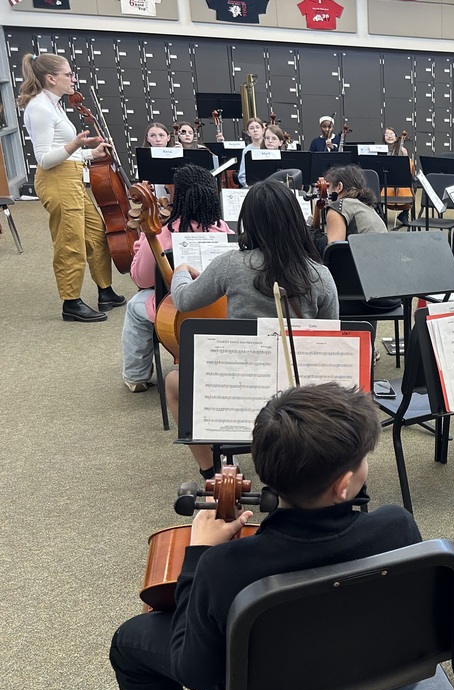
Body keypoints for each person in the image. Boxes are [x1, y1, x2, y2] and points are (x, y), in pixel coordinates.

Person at [110, 381, 423, 690]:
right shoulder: (396, 526)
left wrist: (198, 555)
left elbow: (193, 668)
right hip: (385, 686)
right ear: (343, 486)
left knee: (129, 641)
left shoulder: (225, 568)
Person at [165, 179, 340, 478]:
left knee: (172, 382)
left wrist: (180, 272)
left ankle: (212, 472)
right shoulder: (319, 274)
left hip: (241, 387)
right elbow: (330, 335)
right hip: (300, 387)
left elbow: (183, 299)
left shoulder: (230, 265)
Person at [17, 52, 124, 323]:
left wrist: (90, 154)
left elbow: (62, 151)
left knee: (96, 234)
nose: (73, 78)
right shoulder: (40, 107)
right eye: (68, 74)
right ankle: (71, 302)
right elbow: (44, 159)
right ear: (51, 79)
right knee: (70, 241)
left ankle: (105, 290)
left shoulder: (55, 104)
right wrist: (76, 144)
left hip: (72, 176)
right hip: (56, 181)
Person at [121, 164, 231, 393]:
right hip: (223, 308)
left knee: (135, 305)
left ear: (178, 196)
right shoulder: (224, 231)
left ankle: (136, 375)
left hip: (180, 310)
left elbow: (141, 279)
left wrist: (144, 241)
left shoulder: (163, 234)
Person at [309, 164, 388, 255]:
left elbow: (333, 252)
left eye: (328, 187)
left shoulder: (339, 207)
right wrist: (318, 207)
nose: (326, 193)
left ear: (339, 187)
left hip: (363, 263)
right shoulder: (366, 206)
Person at [235, 116, 266, 187]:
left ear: (263, 130)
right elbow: (242, 175)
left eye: (258, 127)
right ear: (248, 133)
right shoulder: (247, 150)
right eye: (251, 128)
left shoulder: (269, 146)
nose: (255, 130)